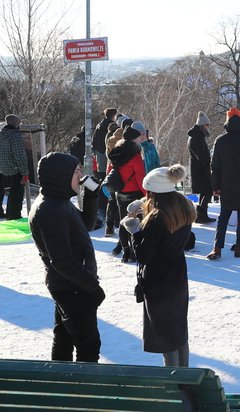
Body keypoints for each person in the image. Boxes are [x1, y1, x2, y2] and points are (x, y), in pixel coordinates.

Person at [28, 152, 106, 362]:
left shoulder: (59, 201)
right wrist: (91, 287)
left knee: (64, 337)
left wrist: (91, 194)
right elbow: (61, 259)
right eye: (76, 172)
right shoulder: (50, 209)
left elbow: (87, 225)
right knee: (88, 344)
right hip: (71, 286)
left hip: (70, 284)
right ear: (60, 176)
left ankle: (60, 383)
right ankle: (83, 391)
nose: (81, 177)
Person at [120, 165, 195, 367]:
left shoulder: (156, 219)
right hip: (178, 277)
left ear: (154, 192)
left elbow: (144, 255)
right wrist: (143, 203)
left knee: (165, 334)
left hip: (158, 282)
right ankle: (184, 377)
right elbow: (188, 241)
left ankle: (173, 380)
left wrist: (134, 230)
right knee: (179, 330)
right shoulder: (184, 206)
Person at [208, 108, 240, 260]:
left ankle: (217, 248)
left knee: (223, 217)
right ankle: (239, 246)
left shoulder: (220, 140)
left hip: (227, 185)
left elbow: (215, 166)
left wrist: (215, 186)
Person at [107, 125, 147, 263]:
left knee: (123, 222)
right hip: (134, 194)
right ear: (133, 140)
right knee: (135, 224)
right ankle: (135, 252)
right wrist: (147, 195)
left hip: (120, 192)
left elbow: (109, 172)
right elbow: (140, 177)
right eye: (138, 138)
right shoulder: (135, 156)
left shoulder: (116, 153)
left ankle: (126, 252)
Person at [0, 114, 30, 220]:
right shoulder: (15, 136)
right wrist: (25, 173)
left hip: (1, 169)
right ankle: (13, 216)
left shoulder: (1, 134)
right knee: (16, 195)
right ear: (17, 123)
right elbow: (20, 156)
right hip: (15, 170)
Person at [187, 111, 214, 224]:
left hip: (200, 169)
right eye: (207, 125)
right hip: (200, 170)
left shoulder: (197, 136)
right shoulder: (196, 138)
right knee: (206, 192)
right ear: (202, 125)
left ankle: (202, 215)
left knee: (206, 192)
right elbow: (201, 156)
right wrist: (208, 164)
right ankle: (201, 215)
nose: (208, 127)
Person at [92, 107, 117, 183]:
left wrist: (94, 150)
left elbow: (94, 139)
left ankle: (101, 188)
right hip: (108, 151)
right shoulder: (113, 126)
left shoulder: (99, 125)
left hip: (99, 151)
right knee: (109, 172)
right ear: (113, 116)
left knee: (101, 172)